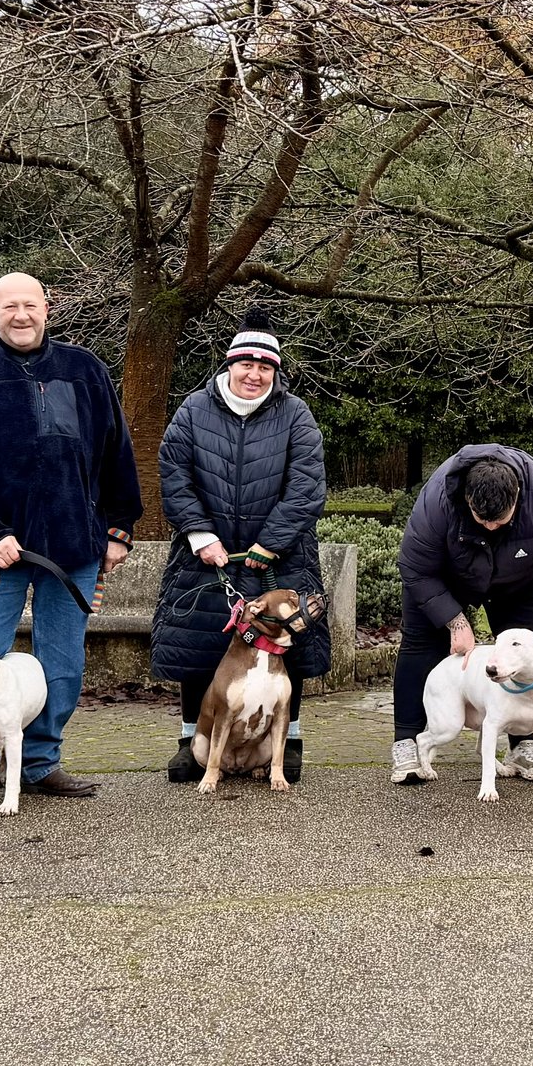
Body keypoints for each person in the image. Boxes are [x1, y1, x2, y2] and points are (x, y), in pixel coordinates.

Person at [0, 272, 143, 802]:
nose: (21, 315)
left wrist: (118, 531)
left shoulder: (85, 370)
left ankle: (40, 762)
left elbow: (117, 455)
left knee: (63, 663)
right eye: (9, 307)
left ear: (47, 308)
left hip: (74, 546)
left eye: (30, 305)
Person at [149, 310, 334, 784]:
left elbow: (307, 484)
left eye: (265, 367)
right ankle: (193, 737)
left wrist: (270, 542)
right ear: (230, 364)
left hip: (282, 555)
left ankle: (287, 740)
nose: (255, 374)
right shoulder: (193, 410)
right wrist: (200, 534)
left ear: (276, 371)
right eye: (246, 364)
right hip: (206, 556)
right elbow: (174, 474)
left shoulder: (296, 414)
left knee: (289, 642)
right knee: (200, 645)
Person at [391, 444, 533, 785]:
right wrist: (455, 620)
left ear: (518, 496)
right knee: (420, 645)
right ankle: (407, 741)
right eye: (483, 520)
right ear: (467, 499)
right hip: (444, 577)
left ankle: (521, 744)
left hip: (521, 581)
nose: (492, 527)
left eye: (501, 519)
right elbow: (415, 567)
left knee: (520, 653)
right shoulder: (437, 499)